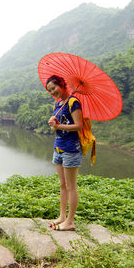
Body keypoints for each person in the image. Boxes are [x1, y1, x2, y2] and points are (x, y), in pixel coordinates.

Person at [46, 75, 83, 232]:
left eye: (54, 88)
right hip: (58, 148)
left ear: (61, 84)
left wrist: (59, 126)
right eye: (50, 90)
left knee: (71, 186)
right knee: (62, 185)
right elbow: (56, 129)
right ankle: (62, 216)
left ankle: (70, 221)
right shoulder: (58, 104)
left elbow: (79, 126)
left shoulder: (74, 103)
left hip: (71, 149)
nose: (53, 91)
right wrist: (53, 125)